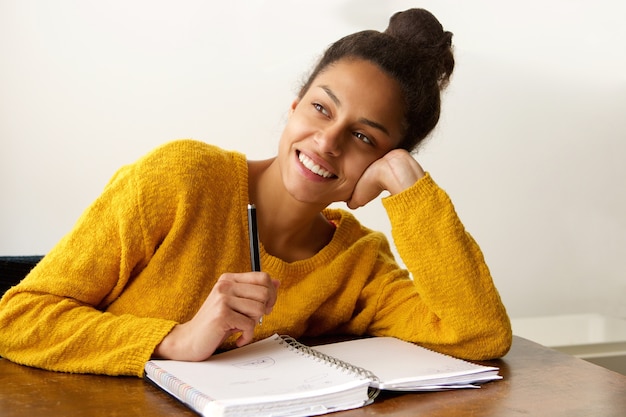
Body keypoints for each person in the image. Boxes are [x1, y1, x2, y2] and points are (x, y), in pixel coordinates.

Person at [0, 8, 512, 377]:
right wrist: (174, 340)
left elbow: (477, 335)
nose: (327, 141)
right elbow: (17, 318)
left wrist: (410, 186)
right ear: (294, 107)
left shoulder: (357, 264)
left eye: (364, 138)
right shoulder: (180, 179)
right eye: (320, 108)